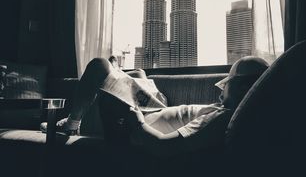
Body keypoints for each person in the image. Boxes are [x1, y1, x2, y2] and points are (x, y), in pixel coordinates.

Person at [41, 56, 269, 156]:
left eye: (226, 84)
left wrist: (137, 124)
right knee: (139, 73)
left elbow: (163, 147)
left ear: (240, 89)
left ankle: (73, 123)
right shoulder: (226, 112)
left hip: (133, 124)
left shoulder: (221, 120)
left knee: (99, 66)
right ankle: (116, 74)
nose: (220, 90)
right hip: (156, 109)